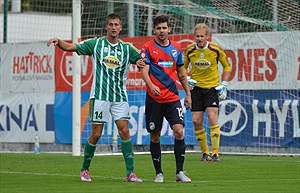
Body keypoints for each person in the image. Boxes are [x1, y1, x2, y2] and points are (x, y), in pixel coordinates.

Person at [47, 13, 145, 182]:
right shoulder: (96, 44)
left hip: (120, 97)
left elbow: (143, 60)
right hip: (99, 96)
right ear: (106, 27)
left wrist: (143, 63)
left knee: (125, 131)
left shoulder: (127, 49)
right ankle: (85, 170)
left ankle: (130, 173)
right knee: (97, 133)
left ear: (121, 28)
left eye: (116, 25)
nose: (114, 27)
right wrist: (59, 42)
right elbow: (72, 47)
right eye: (111, 24)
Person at [140, 15, 192, 183]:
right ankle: (159, 173)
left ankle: (179, 172)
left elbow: (182, 74)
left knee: (179, 131)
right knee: (155, 135)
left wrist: (188, 94)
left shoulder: (176, 49)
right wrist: (151, 86)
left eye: (164, 28)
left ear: (169, 29)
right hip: (154, 99)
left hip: (172, 98)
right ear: (154, 30)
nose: (161, 31)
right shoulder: (148, 48)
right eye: (158, 28)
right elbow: (144, 71)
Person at [183, 23, 231, 162]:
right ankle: (205, 153)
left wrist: (224, 84)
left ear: (207, 36)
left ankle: (215, 153)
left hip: (211, 88)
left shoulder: (215, 49)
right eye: (197, 36)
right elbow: (182, 68)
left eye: (202, 36)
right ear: (194, 37)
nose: (199, 39)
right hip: (196, 89)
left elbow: (226, 66)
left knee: (212, 117)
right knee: (196, 121)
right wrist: (187, 78)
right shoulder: (189, 50)